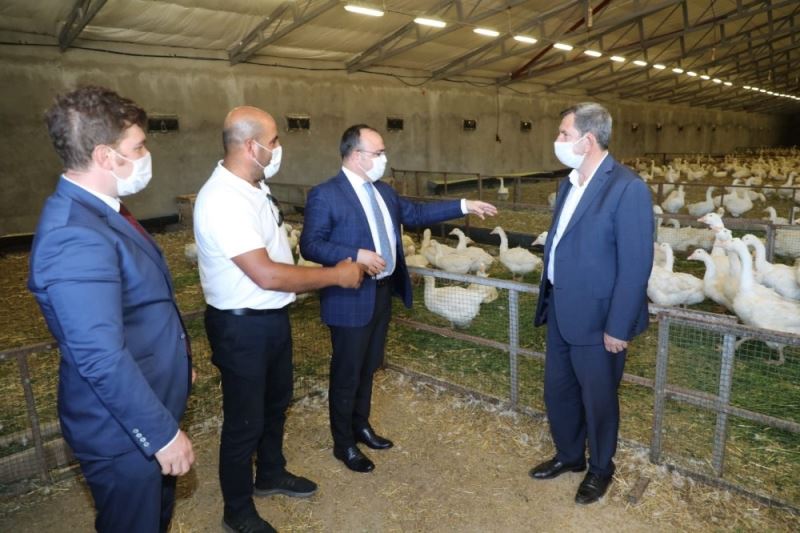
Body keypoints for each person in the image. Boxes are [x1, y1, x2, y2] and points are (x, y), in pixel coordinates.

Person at [28, 86, 195, 532]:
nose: (146, 154)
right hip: (122, 432)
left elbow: (138, 308)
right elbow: (99, 355)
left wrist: (179, 363)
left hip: (145, 401)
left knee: (156, 518)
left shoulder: (104, 211)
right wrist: (161, 434)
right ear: (105, 156)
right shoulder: (74, 235)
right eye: (137, 146)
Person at [193, 106, 364, 533]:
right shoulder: (223, 199)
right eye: (273, 141)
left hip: (270, 317)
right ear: (252, 147)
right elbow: (266, 274)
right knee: (243, 420)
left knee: (274, 404)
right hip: (241, 326)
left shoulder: (254, 187)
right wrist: (336, 276)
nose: (278, 148)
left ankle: (270, 472)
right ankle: (237, 510)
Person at [300, 124, 497, 473]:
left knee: (368, 366)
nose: (384, 159)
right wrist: (355, 254)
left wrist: (464, 204)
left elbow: (416, 214)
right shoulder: (326, 194)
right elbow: (310, 244)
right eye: (378, 153)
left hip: (381, 292)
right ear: (356, 155)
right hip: (349, 298)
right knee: (347, 372)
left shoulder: (383, 192)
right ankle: (343, 443)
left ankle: (360, 425)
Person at [530, 103, 654, 504]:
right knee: (558, 391)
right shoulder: (569, 184)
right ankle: (570, 455)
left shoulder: (627, 188)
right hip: (561, 309)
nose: (557, 140)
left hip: (599, 319)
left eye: (563, 134)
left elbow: (635, 265)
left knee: (598, 399)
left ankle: (601, 467)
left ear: (588, 140)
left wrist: (618, 326)